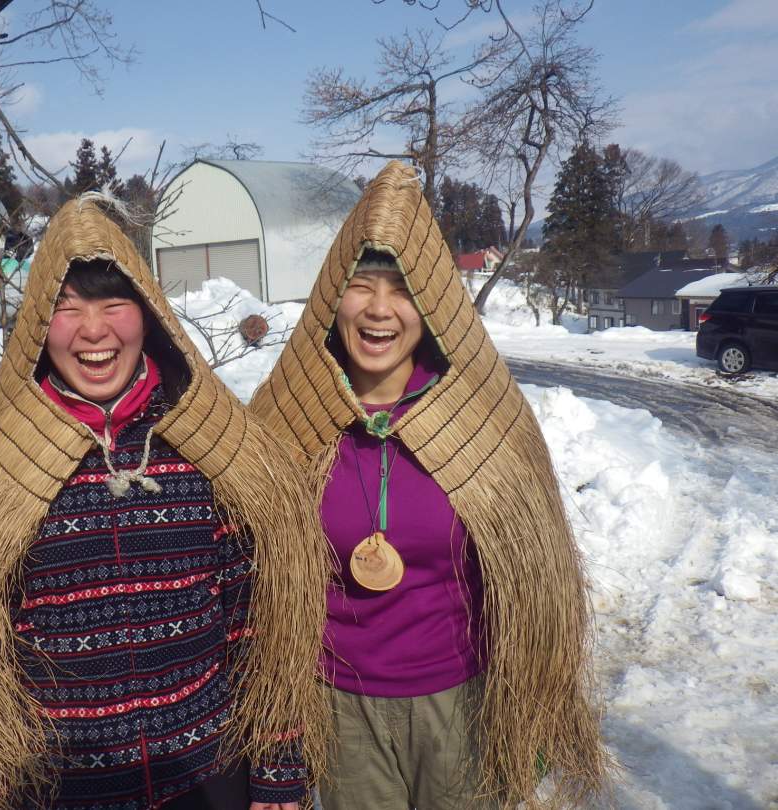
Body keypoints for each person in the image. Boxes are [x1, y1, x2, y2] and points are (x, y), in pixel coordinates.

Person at [0, 198, 329, 810]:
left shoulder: (204, 449)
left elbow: (262, 625)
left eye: (113, 305)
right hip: (63, 789)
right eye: (66, 308)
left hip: (209, 778)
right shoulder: (2, 469)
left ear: (148, 317)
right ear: (37, 323)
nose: (93, 330)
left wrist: (279, 768)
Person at [251, 161, 610, 809]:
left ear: (432, 303)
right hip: (339, 708)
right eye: (362, 286)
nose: (380, 309)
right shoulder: (291, 420)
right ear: (334, 298)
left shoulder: (479, 416)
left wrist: (533, 705)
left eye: (402, 288)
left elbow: (532, 578)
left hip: (460, 703)